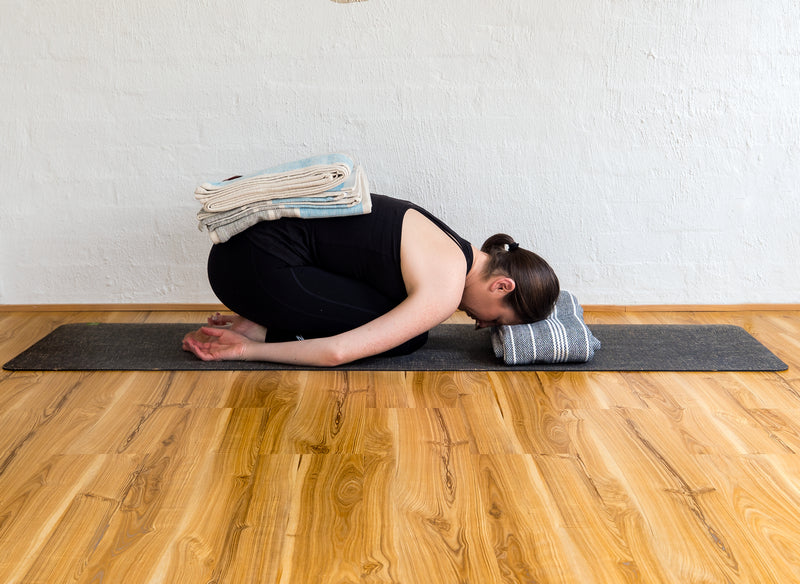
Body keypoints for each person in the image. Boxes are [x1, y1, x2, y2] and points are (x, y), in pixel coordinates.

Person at [182, 194, 559, 366]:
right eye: (494, 320)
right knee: (410, 335)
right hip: (248, 268)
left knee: (395, 318)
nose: (480, 324)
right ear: (501, 286)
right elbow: (338, 352)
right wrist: (247, 351)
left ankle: (260, 318)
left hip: (243, 253)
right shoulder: (445, 285)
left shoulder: (448, 243)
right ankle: (258, 331)